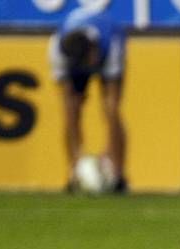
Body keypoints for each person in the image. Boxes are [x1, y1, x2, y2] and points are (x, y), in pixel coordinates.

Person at [49, 8, 128, 191]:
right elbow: (68, 98)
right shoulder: (58, 50)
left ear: (93, 50)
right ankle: (73, 171)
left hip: (107, 50)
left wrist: (108, 157)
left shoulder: (112, 43)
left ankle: (117, 173)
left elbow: (112, 101)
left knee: (111, 110)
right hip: (74, 57)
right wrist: (79, 160)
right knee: (71, 109)